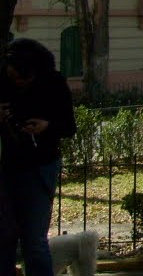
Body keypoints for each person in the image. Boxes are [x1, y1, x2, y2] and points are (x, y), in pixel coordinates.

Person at [0, 38, 77, 276]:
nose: (18, 83)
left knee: (34, 239)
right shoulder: (3, 81)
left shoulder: (54, 83)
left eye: (23, 79)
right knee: (4, 235)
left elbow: (69, 127)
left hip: (40, 166)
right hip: (7, 165)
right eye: (13, 78)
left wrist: (46, 126)